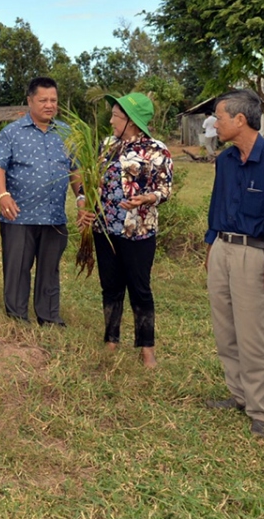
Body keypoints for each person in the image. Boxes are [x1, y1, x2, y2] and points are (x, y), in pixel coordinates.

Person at [202, 89, 264, 440]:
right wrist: (211, 243)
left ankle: (262, 413)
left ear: (240, 120)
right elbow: (216, 204)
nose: (215, 122)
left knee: (253, 334)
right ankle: (238, 395)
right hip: (223, 248)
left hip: (255, 254)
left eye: (219, 116)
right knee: (225, 329)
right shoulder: (225, 160)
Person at [77, 93, 173, 368]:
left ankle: (147, 348)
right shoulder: (107, 146)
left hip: (138, 231)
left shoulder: (156, 150)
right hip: (105, 229)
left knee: (140, 289)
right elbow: (88, 182)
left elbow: (164, 189)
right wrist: (83, 203)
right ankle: (111, 339)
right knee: (110, 286)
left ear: (131, 120)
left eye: (116, 115)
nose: (110, 120)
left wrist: (146, 198)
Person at [0, 76, 82, 327]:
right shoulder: (12, 133)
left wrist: (81, 198)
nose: (49, 105)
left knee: (49, 269)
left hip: (53, 215)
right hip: (19, 214)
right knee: (17, 268)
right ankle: (17, 316)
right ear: (30, 101)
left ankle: (49, 316)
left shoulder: (66, 132)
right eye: (43, 100)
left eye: (53, 100)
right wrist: (3, 195)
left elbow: (76, 169)